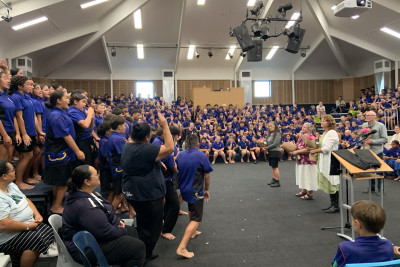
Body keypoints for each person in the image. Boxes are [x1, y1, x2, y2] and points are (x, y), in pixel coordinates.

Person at [62, 165, 145, 267]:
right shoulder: (84, 206)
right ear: (87, 182)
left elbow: (108, 210)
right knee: (138, 247)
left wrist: (117, 222)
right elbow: (105, 232)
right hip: (86, 247)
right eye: (96, 174)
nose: (98, 176)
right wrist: (121, 230)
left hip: (94, 236)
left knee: (132, 232)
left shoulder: (89, 194)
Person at [121, 111, 174, 261]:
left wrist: (157, 161)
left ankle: (142, 251)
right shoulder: (146, 149)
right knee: (154, 226)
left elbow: (142, 159)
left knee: (143, 223)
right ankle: (143, 255)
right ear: (146, 137)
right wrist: (164, 125)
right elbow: (169, 148)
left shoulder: (128, 145)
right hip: (146, 194)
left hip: (133, 191)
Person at [0, 160, 54, 267]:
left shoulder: (11, 186)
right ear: (4, 176)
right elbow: (3, 224)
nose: (15, 172)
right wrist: (28, 227)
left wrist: (37, 215)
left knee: (47, 230)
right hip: (8, 236)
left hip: (26, 225)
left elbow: (26, 200)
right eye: (12, 171)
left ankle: (17, 262)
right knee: (38, 239)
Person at [42, 90, 85, 214]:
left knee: (58, 181)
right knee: (64, 181)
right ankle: (56, 205)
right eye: (66, 98)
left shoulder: (61, 112)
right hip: (58, 153)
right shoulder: (57, 116)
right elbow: (66, 136)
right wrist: (78, 151)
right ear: (58, 100)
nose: (68, 100)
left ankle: (56, 202)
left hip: (60, 152)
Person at [176, 134, 212, 259]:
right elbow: (207, 175)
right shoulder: (201, 155)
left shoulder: (180, 154)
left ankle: (193, 232)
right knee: (197, 219)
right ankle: (182, 247)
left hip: (184, 189)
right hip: (196, 190)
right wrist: (206, 189)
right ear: (198, 144)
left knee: (191, 208)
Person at [331, 200, 393, 267]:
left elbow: (335, 265)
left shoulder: (345, 248)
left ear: (358, 224)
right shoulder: (388, 246)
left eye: (352, 220)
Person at [310, 115, 340, 213]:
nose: (321, 122)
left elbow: (326, 149)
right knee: (329, 179)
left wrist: (315, 150)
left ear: (329, 122)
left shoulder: (332, 133)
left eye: (324, 121)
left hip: (331, 160)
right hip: (324, 159)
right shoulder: (325, 133)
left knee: (332, 181)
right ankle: (332, 203)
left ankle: (336, 205)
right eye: (321, 121)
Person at [362, 110, 388, 195]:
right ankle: (372, 188)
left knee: (379, 171)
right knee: (370, 170)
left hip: (377, 151)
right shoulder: (364, 125)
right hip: (367, 151)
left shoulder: (381, 126)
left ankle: (380, 190)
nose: (366, 117)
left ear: (374, 116)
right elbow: (362, 136)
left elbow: (385, 139)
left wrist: (372, 141)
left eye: (368, 115)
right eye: (366, 115)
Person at [292, 122, 318, 200]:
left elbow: (309, 149)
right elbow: (297, 146)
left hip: (308, 160)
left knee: (308, 176)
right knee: (302, 175)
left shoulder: (311, 137)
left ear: (309, 129)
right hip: (301, 159)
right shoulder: (301, 136)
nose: (303, 128)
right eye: (302, 127)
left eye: (305, 127)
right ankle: (304, 190)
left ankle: (310, 193)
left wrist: (297, 152)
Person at [68, 93, 95, 166]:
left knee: (89, 162)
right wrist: (89, 115)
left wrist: (92, 117)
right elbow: (85, 125)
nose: (85, 104)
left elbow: (91, 128)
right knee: (84, 165)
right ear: (75, 102)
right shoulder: (73, 111)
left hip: (87, 139)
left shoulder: (82, 110)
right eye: (83, 101)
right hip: (80, 141)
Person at [265, 122, 282, 188]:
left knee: (275, 166)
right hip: (270, 152)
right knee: (272, 166)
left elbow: (275, 143)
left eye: (271, 126)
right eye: (269, 126)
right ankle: (274, 179)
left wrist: (267, 147)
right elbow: (267, 142)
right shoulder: (269, 134)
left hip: (275, 151)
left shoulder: (277, 134)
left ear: (275, 126)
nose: (270, 127)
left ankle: (277, 181)